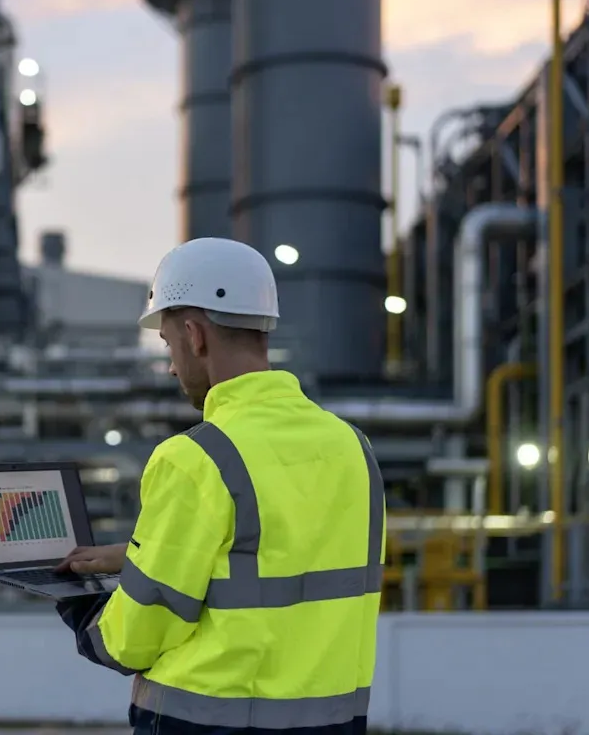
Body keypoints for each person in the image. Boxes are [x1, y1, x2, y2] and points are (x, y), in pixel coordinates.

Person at [54, 237, 385, 735]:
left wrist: (77, 605)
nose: (170, 365)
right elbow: (278, 558)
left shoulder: (196, 459)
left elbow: (134, 638)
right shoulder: (352, 448)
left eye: (167, 344)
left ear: (195, 334)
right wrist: (142, 556)